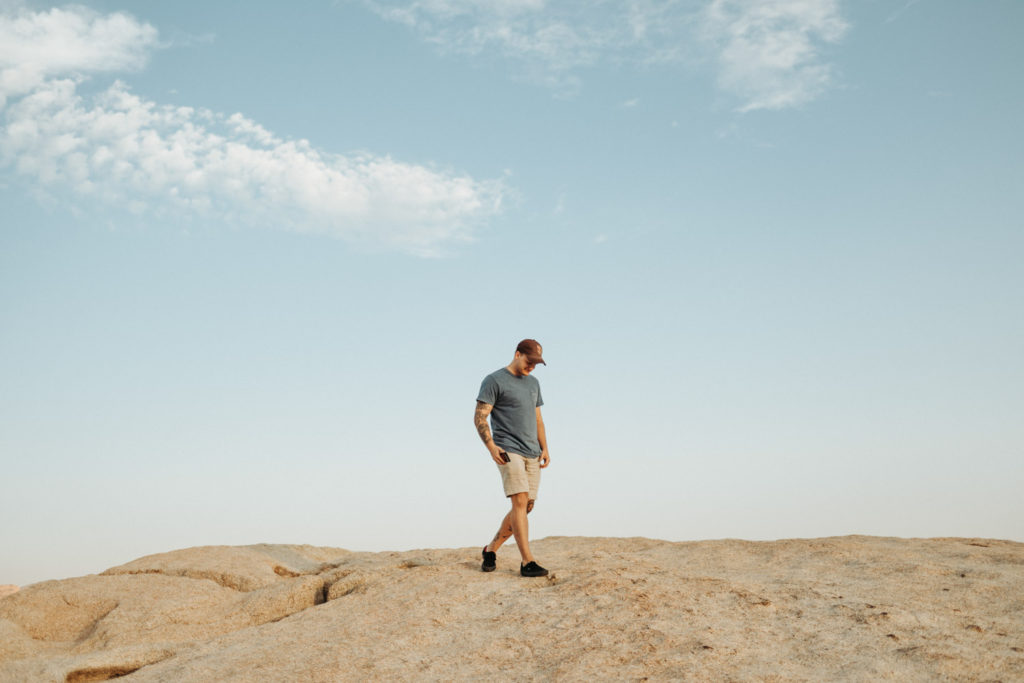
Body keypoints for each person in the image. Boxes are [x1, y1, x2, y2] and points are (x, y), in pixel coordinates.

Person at [474, 339, 551, 577]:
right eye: (529, 362)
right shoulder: (494, 380)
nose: (532, 367)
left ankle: (490, 549)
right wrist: (490, 446)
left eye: (536, 363)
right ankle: (527, 562)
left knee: (526, 506)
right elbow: (480, 417)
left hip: (532, 451)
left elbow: (537, 418)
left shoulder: (534, 383)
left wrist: (545, 448)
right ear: (518, 354)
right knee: (519, 500)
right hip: (508, 449)